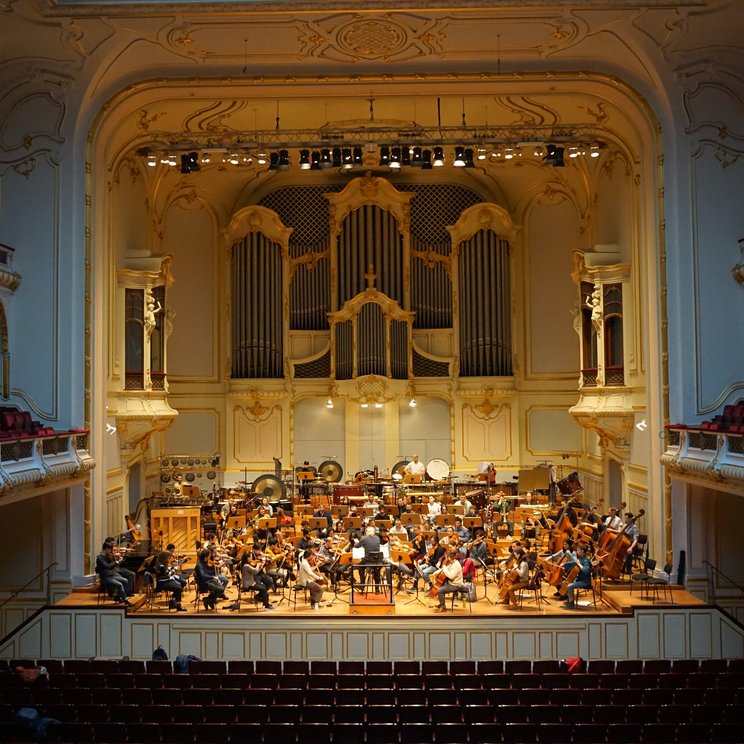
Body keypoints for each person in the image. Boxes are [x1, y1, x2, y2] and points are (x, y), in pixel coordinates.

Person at [152, 543, 187, 611]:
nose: (169, 559)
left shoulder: (161, 564)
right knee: (179, 587)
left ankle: (173, 601)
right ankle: (177, 605)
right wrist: (174, 570)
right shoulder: (161, 566)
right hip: (163, 583)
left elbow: (167, 571)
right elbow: (168, 573)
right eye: (168, 558)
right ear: (165, 558)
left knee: (180, 584)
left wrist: (172, 569)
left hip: (166, 580)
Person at [562, 543, 593, 610]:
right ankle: (569, 599)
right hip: (580, 580)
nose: (577, 551)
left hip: (585, 581)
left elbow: (586, 571)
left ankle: (571, 603)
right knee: (565, 582)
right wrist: (564, 564)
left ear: (583, 551)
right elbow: (573, 562)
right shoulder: (581, 559)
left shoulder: (586, 561)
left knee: (570, 586)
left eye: (578, 550)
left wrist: (579, 564)